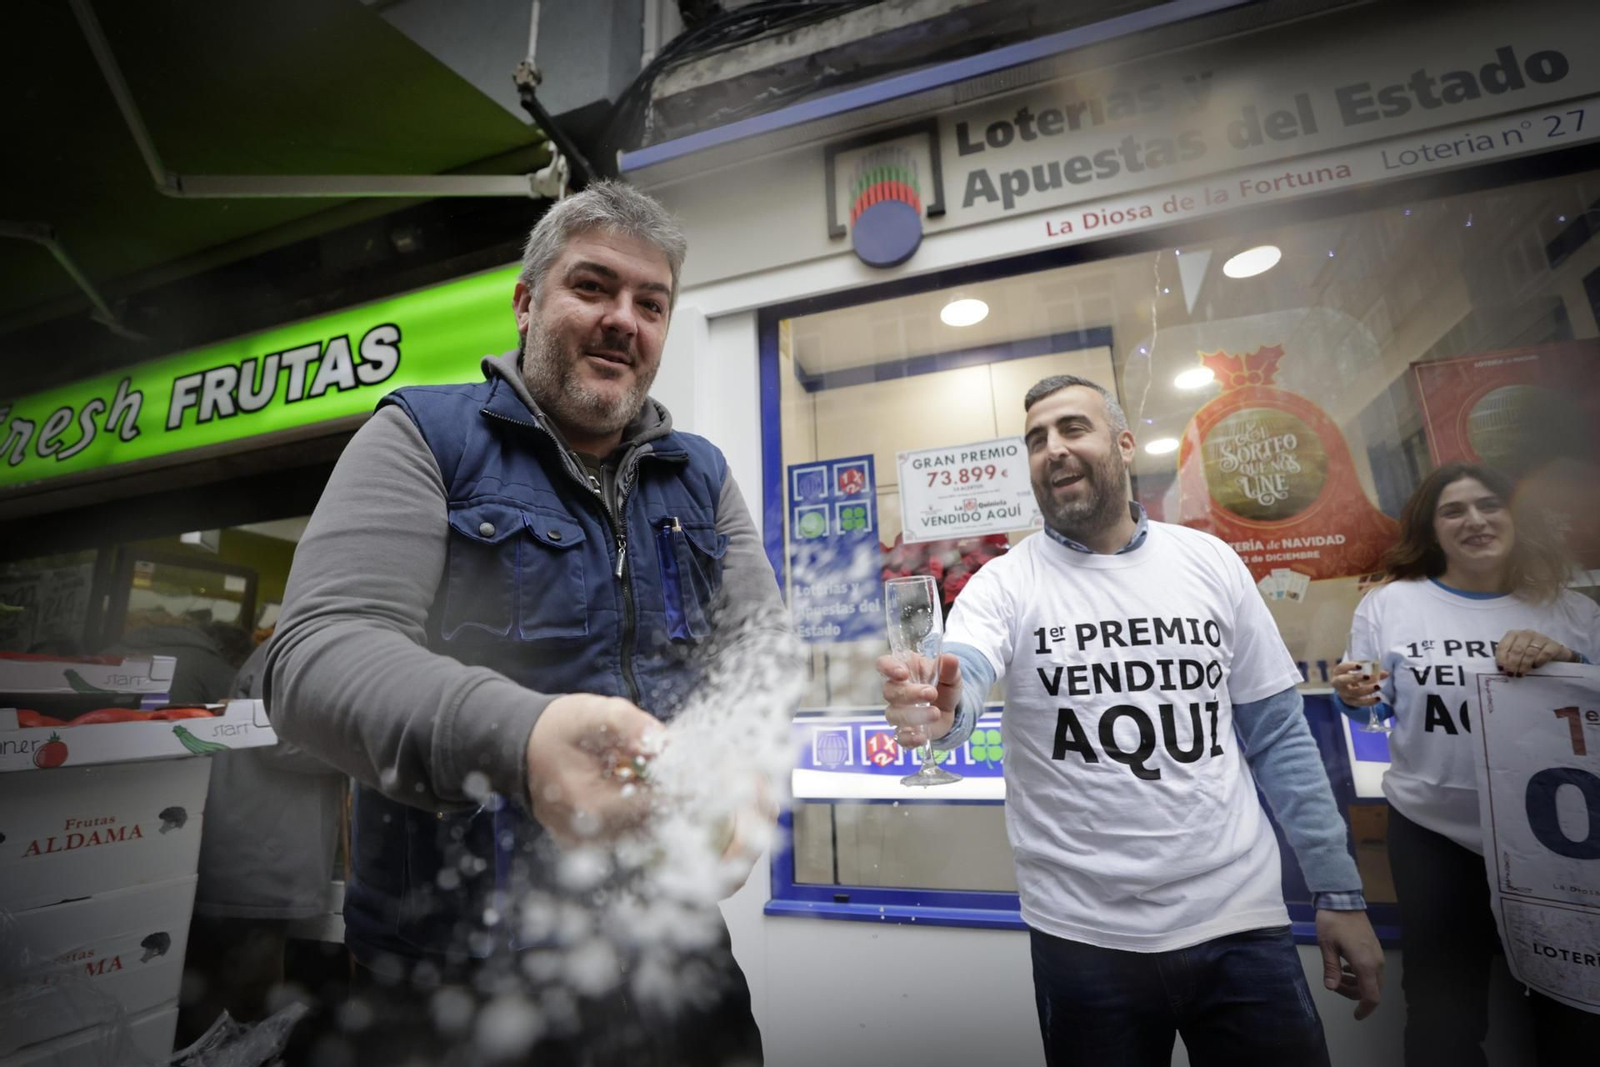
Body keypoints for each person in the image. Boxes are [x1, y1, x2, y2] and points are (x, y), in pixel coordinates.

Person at [266, 182, 791, 1066]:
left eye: (650, 303)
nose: (625, 319)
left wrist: (747, 769)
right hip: (455, 973)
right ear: (525, 302)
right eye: (593, 287)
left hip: (671, 948)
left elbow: (761, 652)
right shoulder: (425, 434)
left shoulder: (698, 475)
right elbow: (317, 654)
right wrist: (525, 737)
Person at [879, 375, 1384, 1067]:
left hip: (1239, 923)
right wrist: (944, 709)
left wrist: (1340, 889)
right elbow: (965, 670)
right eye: (1035, 440)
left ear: (1122, 444)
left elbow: (1278, 735)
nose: (1052, 449)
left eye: (1071, 429)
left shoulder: (1209, 562)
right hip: (1083, 937)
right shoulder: (1005, 582)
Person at [1331, 462, 1600, 1065]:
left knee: (1574, 1006)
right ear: (1432, 529)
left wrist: (1569, 661)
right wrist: (1356, 701)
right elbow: (1374, 718)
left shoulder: (1569, 611)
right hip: (1434, 835)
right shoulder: (1391, 605)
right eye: (1453, 511)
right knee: (1441, 1016)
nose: (1474, 521)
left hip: (1556, 838)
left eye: (1489, 505)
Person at [176, 639, 349, 1047]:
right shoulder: (311, 647)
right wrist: (364, 750)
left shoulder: (299, 644)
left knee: (238, 991)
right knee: (239, 997)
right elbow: (280, 742)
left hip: (259, 840)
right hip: (260, 849)